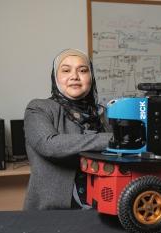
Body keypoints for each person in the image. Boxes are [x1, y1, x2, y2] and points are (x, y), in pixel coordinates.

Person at [23, 49, 112, 210]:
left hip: (102, 206)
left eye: (83, 70)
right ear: (56, 77)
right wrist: (111, 140)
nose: (74, 76)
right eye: (66, 70)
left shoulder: (103, 113)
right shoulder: (39, 108)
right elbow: (49, 144)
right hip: (53, 213)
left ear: (91, 77)